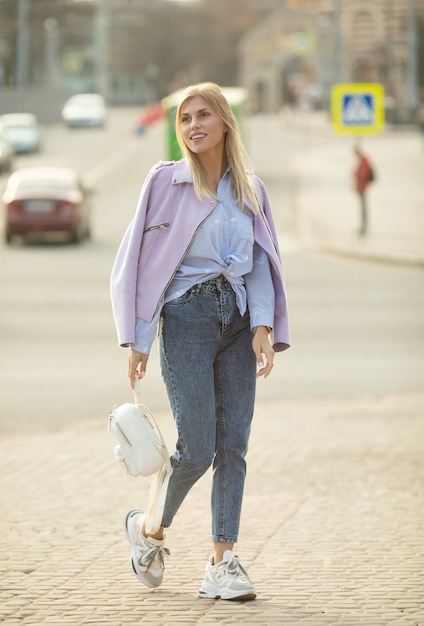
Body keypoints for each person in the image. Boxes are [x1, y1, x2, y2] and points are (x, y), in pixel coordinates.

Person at [110, 82, 290, 601]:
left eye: (202, 115)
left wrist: (262, 325)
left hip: (236, 322)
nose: (192, 126)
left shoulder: (251, 189)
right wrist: (138, 339)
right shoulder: (165, 182)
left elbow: (259, 263)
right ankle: (150, 528)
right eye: (184, 118)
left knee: (234, 446)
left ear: (225, 123)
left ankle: (223, 562)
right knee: (197, 448)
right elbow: (140, 265)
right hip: (185, 319)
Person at [353, 146, 373, 237]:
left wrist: (356, 174)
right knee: (363, 209)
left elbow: (364, 174)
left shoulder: (363, 160)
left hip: (363, 188)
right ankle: (363, 227)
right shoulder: (362, 160)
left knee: (363, 209)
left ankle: (364, 228)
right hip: (362, 187)